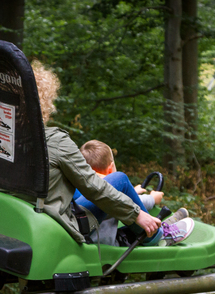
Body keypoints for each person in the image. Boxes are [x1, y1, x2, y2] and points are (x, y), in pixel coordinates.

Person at [31, 61, 193, 247]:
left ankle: (160, 226)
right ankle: (159, 235)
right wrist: (138, 213)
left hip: (39, 213)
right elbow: (94, 187)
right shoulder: (53, 141)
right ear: (45, 100)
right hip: (64, 220)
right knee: (120, 180)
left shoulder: (8, 142)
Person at [78, 139, 190, 246]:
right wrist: (152, 198)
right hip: (107, 243)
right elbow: (127, 204)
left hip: (87, 233)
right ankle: (159, 235)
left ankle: (164, 224)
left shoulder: (80, 185)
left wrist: (133, 191)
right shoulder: (103, 191)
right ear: (110, 169)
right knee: (121, 181)